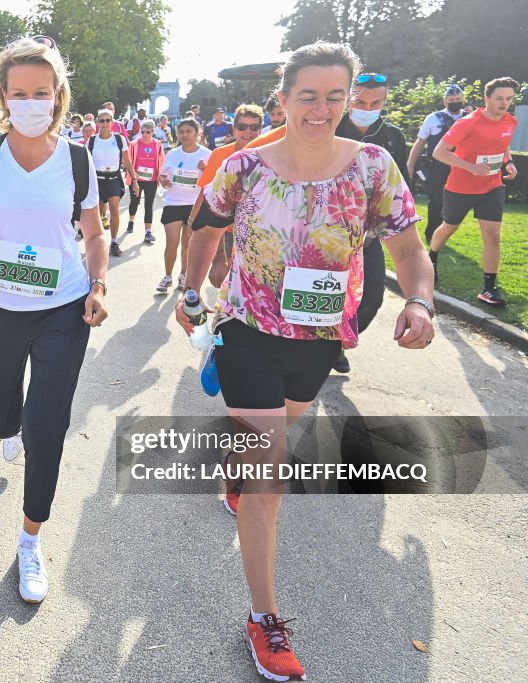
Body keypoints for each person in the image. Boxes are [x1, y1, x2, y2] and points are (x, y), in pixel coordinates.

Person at [176, 42, 434, 681]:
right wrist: (191, 288)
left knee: (286, 419)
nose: (321, 109)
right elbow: (205, 226)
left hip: (320, 338)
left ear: (348, 101)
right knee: (270, 479)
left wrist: (422, 302)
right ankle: (265, 619)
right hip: (248, 328)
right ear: (284, 100)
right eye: (308, 96)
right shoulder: (244, 168)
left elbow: (408, 247)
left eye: (334, 97)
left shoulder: (374, 167)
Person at [0, 35, 108, 606]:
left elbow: (94, 234)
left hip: (63, 308)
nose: (30, 101)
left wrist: (99, 284)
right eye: (19, 92)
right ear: (2, 99)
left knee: (47, 424)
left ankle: (31, 538)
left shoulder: (78, 158)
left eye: (42, 91)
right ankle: (4, 428)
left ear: (57, 94)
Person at [333, 73, 410, 373]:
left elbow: (400, 186)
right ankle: (312, 346)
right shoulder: (330, 127)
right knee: (324, 292)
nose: (368, 107)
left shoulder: (393, 137)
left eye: (376, 102)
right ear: (349, 100)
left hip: (368, 235)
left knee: (372, 297)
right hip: (326, 231)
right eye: (361, 101)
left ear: (384, 102)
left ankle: (337, 343)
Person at [429, 77, 519, 306]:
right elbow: (440, 152)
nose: (504, 103)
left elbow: (503, 144)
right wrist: (470, 167)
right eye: (499, 98)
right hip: (461, 187)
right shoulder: (468, 123)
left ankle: (489, 289)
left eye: (508, 98)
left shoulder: (510, 121)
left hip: (492, 186)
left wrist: (508, 162)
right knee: (449, 227)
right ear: (486, 98)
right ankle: (431, 259)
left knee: (493, 236)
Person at [186, 104, 266, 286]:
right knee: (230, 285)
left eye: (254, 127)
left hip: (261, 233)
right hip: (227, 231)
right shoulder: (220, 154)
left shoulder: (272, 154)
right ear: (234, 128)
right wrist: (192, 222)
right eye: (242, 127)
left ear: (261, 129)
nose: (248, 132)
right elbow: (206, 193)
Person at [154, 119, 210, 294]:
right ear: (177, 134)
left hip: (195, 204)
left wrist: (206, 169)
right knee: (172, 242)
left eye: (189, 131)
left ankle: (183, 275)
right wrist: (164, 181)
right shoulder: (172, 154)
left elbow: (214, 180)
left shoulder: (207, 154)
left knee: (187, 244)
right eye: (182, 132)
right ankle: (167, 276)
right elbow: (162, 177)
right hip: (173, 202)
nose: (185, 135)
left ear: (197, 133)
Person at [406, 84, 466, 243]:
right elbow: (420, 143)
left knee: (454, 203)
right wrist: (410, 165)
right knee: (437, 201)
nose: (455, 102)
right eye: (451, 99)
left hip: (461, 167)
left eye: (458, 99)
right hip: (437, 168)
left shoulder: (469, 118)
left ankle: (444, 234)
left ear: (463, 99)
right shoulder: (433, 118)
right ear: (445, 101)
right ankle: (432, 234)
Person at [89, 109, 137, 255]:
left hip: (114, 179)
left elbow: (127, 161)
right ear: (97, 123)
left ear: (112, 122)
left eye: (107, 120)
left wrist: (134, 180)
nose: (105, 123)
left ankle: (114, 242)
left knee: (114, 209)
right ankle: (97, 242)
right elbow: (87, 163)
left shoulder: (119, 139)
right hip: (97, 180)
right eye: (102, 120)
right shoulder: (92, 140)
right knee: (96, 213)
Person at [125, 119, 165, 244]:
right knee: (134, 202)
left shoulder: (158, 145)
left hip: (151, 180)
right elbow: (128, 161)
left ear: (153, 132)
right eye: (142, 132)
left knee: (149, 205)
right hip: (136, 179)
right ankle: (131, 221)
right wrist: (133, 176)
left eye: (147, 132)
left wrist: (162, 176)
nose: (144, 134)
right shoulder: (134, 144)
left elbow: (162, 161)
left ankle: (148, 232)